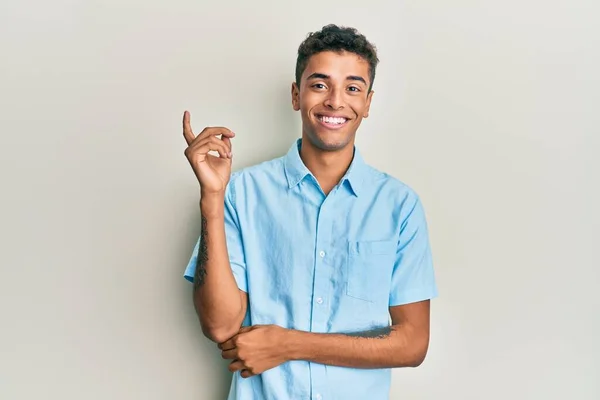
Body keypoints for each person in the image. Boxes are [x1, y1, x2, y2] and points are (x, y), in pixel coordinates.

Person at [181, 24, 438, 400]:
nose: (335, 101)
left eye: (352, 88)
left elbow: (413, 342)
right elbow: (220, 326)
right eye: (320, 85)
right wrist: (211, 198)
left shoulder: (399, 206)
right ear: (296, 95)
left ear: (367, 102)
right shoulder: (242, 192)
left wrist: (290, 344)